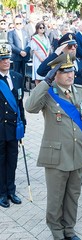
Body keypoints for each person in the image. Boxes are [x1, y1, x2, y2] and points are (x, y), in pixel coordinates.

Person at [25, 53, 82, 240]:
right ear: (55, 74)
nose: (70, 75)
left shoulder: (80, 90)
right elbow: (30, 106)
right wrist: (46, 81)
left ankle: (69, 229)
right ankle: (57, 231)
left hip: (76, 153)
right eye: (64, 72)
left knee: (73, 195)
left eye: (71, 71)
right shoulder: (48, 93)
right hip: (57, 155)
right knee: (56, 197)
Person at [37, 33, 82, 117]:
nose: (73, 48)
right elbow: (40, 71)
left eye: (75, 46)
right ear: (62, 48)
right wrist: (55, 54)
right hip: (63, 107)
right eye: (69, 46)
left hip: (79, 106)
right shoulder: (57, 64)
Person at [0, 44, 26, 208]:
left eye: (8, 58)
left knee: (13, 160)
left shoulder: (17, 77)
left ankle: (11, 190)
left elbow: (20, 103)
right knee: (1, 161)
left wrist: (23, 124)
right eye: (3, 59)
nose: (6, 61)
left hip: (14, 127)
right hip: (0, 127)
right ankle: (2, 193)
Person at [7, 16, 31, 91]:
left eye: (20, 23)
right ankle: (16, 87)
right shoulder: (10, 33)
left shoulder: (25, 32)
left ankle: (23, 87)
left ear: (22, 24)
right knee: (16, 73)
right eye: (17, 23)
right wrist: (20, 52)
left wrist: (25, 51)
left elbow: (29, 43)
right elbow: (11, 45)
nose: (19, 25)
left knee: (24, 73)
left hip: (25, 56)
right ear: (14, 24)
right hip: (16, 56)